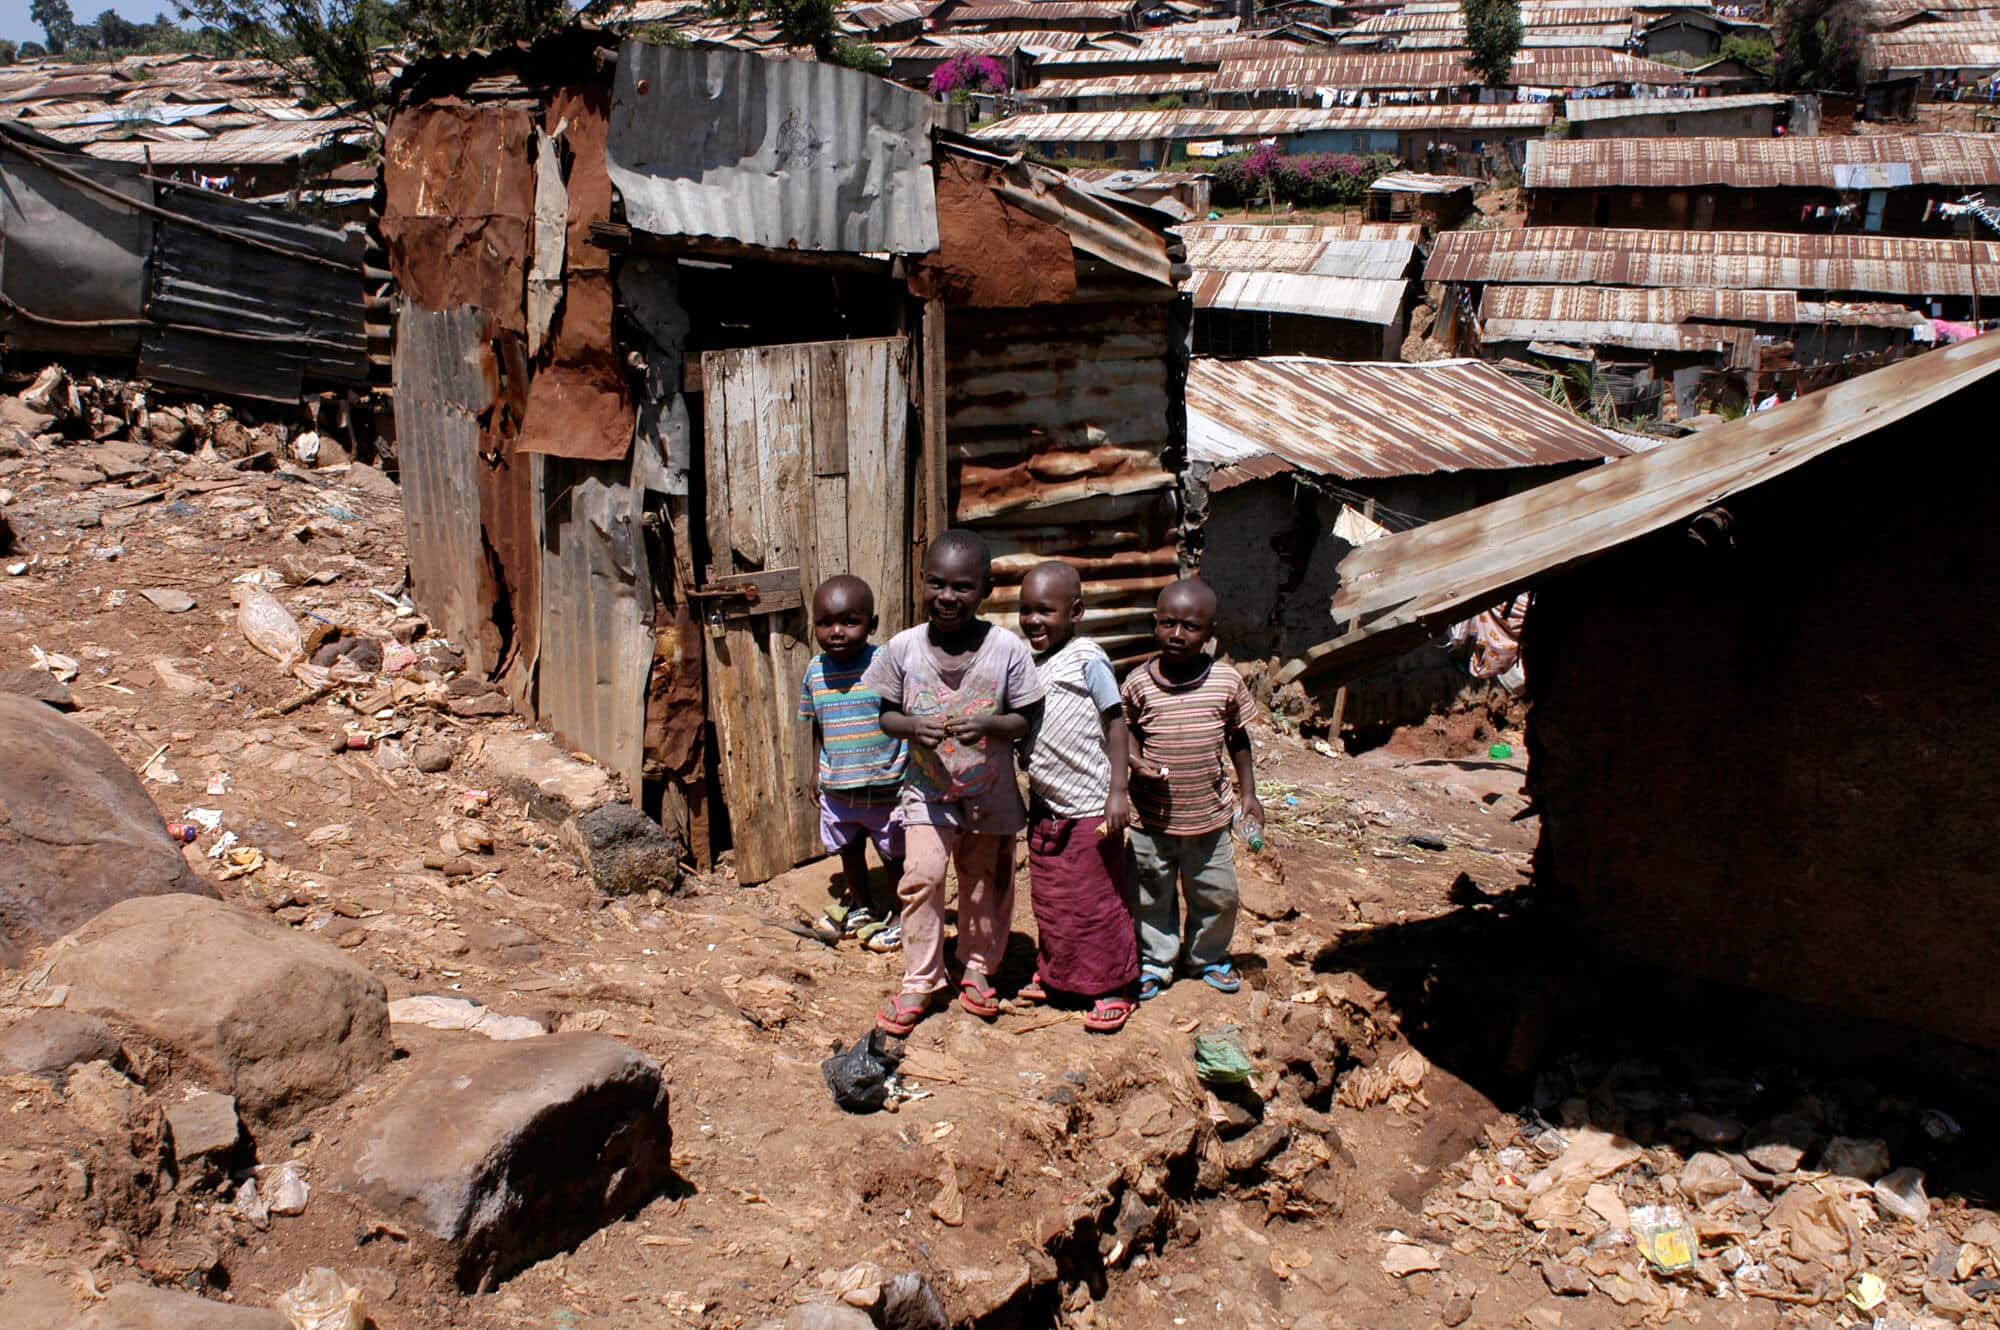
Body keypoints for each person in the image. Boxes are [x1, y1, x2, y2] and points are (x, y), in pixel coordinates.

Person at [863, 530, 1044, 1035]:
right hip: (927, 790)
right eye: (936, 583)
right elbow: (886, 716)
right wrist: (910, 726)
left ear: (985, 588)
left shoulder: (1006, 649)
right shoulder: (903, 648)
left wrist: (989, 724)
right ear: (922, 583)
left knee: (985, 881)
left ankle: (978, 967)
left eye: (962, 587)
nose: (947, 596)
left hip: (990, 793)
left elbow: (1026, 718)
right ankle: (921, 979)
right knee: (921, 874)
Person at [1121, 578, 1262, 1000]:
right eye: (1168, 624)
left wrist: (1249, 793)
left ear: (1210, 631)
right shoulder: (1138, 684)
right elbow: (1125, 727)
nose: (1177, 635)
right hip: (1151, 818)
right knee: (1149, 896)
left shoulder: (1226, 681)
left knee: (1218, 894)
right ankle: (1155, 961)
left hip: (1209, 819)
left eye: (1190, 627)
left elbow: (1239, 738)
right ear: (1155, 624)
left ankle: (1207, 957)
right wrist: (1133, 759)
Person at [1017, 561, 1139, 1034]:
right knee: (1052, 898)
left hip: (1091, 804)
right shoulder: (1026, 664)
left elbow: (1115, 720)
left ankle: (1111, 986)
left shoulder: (1088, 657)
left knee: (1096, 900)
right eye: (1025, 610)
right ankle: (1059, 976)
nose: (1033, 620)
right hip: (1048, 805)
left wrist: (1118, 790)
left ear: (1076, 612)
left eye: (1045, 610)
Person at [798, 575, 906, 950]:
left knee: (894, 855)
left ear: (872, 624)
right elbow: (816, 725)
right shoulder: (815, 670)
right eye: (825, 623)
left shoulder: (886, 664)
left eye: (850, 621)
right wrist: (815, 771)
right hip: (838, 787)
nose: (837, 632)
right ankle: (863, 905)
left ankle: (902, 917)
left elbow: (905, 718)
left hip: (886, 787)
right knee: (849, 849)